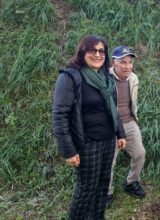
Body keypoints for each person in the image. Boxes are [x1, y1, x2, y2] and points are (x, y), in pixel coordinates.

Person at [52, 34, 126, 219]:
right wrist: (69, 150)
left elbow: (113, 110)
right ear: (82, 52)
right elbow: (60, 116)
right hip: (87, 144)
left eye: (102, 51)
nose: (98, 54)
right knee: (86, 189)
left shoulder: (105, 78)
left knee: (102, 186)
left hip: (108, 141)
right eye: (92, 50)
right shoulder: (70, 77)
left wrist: (120, 133)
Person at [106, 46, 146, 208]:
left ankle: (132, 182)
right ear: (114, 63)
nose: (127, 66)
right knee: (109, 160)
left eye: (130, 62)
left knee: (140, 153)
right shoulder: (104, 78)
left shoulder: (134, 78)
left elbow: (132, 103)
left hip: (129, 122)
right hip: (110, 126)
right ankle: (106, 191)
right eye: (123, 62)